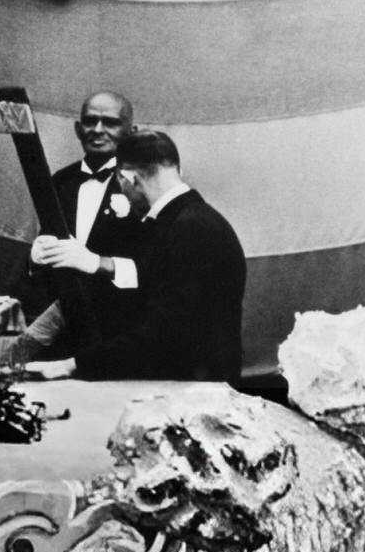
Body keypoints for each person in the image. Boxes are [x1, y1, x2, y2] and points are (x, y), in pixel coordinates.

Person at [27, 128, 246, 382]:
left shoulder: (189, 228)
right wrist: (95, 263)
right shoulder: (189, 219)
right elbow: (148, 276)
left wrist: (71, 365)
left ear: (128, 179)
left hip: (192, 388)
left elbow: (160, 333)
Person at [24, 89, 146, 352]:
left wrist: (95, 264)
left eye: (111, 123)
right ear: (78, 129)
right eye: (90, 122)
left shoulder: (143, 186)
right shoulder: (59, 181)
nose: (98, 130)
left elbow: (154, 267)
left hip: (123, 331)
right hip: (63, 331)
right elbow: (47, 256)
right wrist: (34, 260)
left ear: (131, 131)